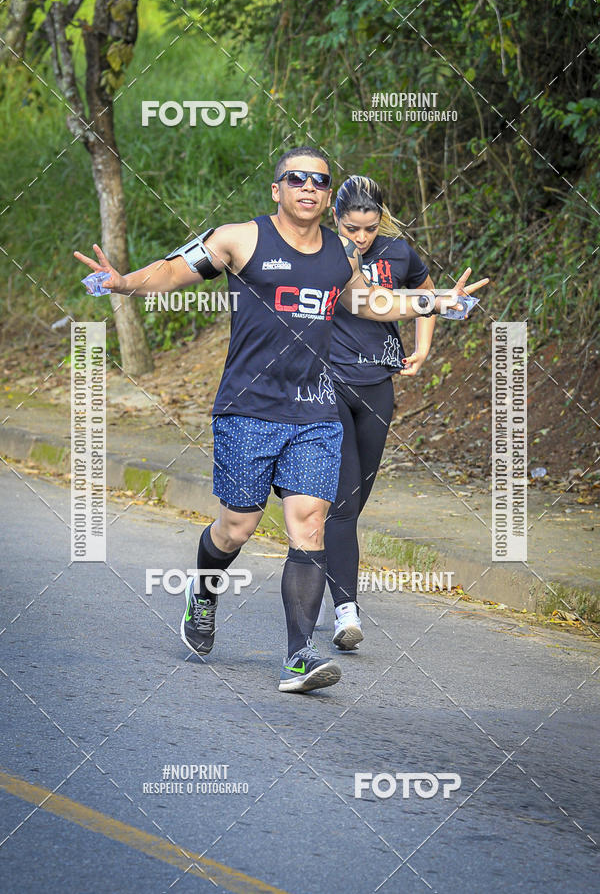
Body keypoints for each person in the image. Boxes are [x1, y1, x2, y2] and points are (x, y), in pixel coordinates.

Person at [74, 147, 487, 693]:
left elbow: (368, 303)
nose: (308, 187)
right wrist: (123, 281)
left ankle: (299, 656)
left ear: (328, 195)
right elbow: (174, 270)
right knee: (236, 527)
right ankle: (203, 591)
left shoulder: (340, 253)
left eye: (319, 180)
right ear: (277, 189)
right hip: (248, 409)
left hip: (315, 410)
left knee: (309, 524)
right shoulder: (240, 239)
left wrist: (433, 303)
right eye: (296, 178)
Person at [317, 175, 440, 650]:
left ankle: (317, 560)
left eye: (370, 228)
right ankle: (345, 612)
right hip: (327, 384)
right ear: (335, 217)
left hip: (377, 387)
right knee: (343, 503)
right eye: (352, 228)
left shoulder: (399, 253)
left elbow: (426, 295)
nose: (362, 237)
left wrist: (422, 349)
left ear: (381, 220)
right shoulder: (321, 250)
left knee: (354, 502)